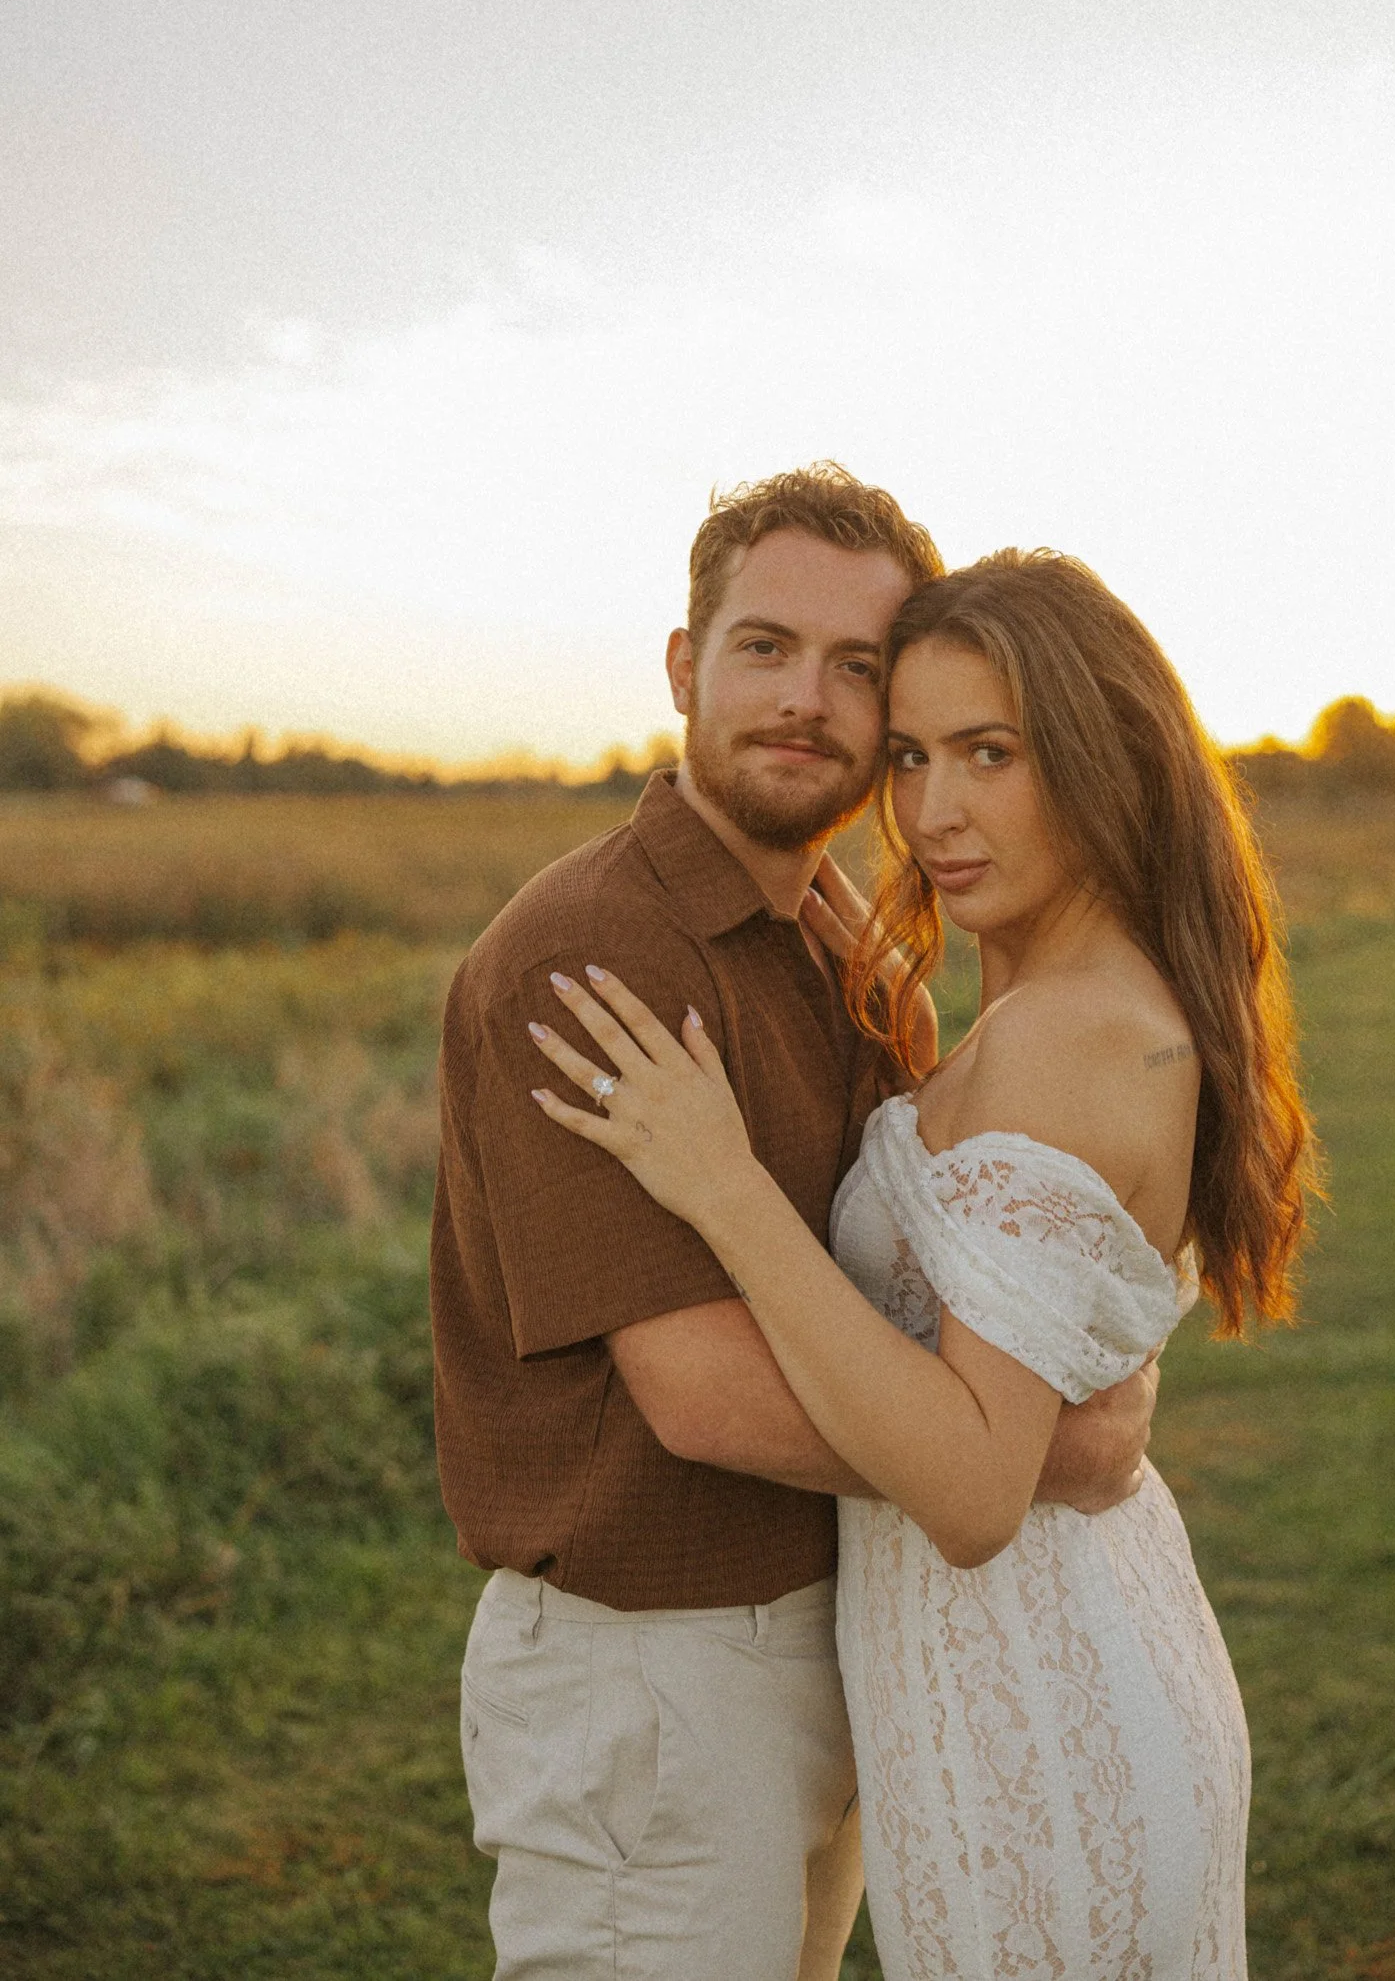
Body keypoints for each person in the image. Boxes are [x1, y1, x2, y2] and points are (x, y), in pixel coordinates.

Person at [531, 548, 1319, 1979]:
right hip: (986, 1687)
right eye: (908, 757)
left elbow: (964, 1490)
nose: (933, 812)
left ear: (1106, 760)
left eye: (990, 755)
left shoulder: (1072, 1034)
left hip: (1041, 1705)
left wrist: (722, 1189)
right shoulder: (1036, 998)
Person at [431, 475, 1160, 1981]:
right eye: (764, 649)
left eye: (856, 671)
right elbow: (700, 1393)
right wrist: (1030, 1453)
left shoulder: (855, 949)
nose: (805, 704)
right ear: (685, 664)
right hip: (661, 1668)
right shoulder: (596, 949)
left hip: (843, 1628)